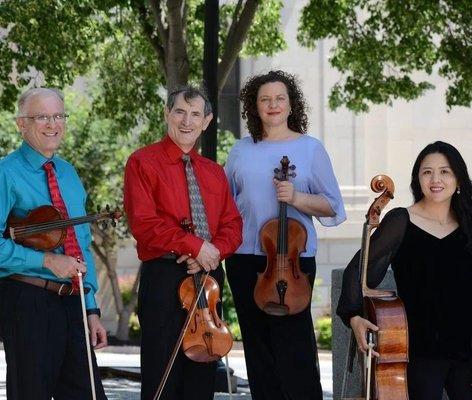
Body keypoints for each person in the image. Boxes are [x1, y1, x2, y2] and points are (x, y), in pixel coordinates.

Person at [224, 70, 346, 400]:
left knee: (295, 350)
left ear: (291, 105)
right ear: (255, 106)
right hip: (247, 260)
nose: (273, 105)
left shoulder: (310, 149)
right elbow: (224, 204)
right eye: (265, 99)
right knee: (258, 350)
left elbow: (333, 206)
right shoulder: (241, 150)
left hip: (293, 260)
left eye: (280, 98)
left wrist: (296, 198)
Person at [124, 85, 242, 400]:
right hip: (164, 277)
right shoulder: (142, 163)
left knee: (202, 377)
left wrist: (213, 252)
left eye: (195, 114)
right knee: (163, 374)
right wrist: (195, 246)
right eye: (179, 112)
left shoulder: (214, 172)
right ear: (167, 114)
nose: (186, 121)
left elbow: (232, 224)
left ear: (207, 121)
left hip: (208, 280)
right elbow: (144, 224)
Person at [337, 141, 472, 399]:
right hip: (419, 352)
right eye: (427, 172)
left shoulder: (468, 221)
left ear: (458, 178)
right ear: (417, 178)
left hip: (468, 349)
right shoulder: (402, 220)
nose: (436, 179)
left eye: (445, 171)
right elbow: (359, 269)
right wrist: (353, 316)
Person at [0, 87, 108, 399]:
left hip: (71, 301)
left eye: (58, 116)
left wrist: (91, 309)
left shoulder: (69, 174)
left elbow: (80, 245)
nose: (52, 124)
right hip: (27, 300)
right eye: (42, 117)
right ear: (22, 124)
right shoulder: (5, 173)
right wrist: (47, 261)